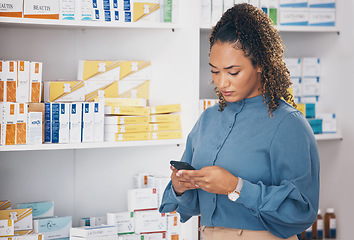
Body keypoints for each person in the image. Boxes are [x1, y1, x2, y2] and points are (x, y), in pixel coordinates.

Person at [159, 3, 320, 240]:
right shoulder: (208, 119)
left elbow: (301, 211)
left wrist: (236, 187)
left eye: (232, 72)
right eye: (215, 71)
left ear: (260, 64)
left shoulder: (288, 124)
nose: (222, 83)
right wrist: (180, 187)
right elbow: (191, 205)